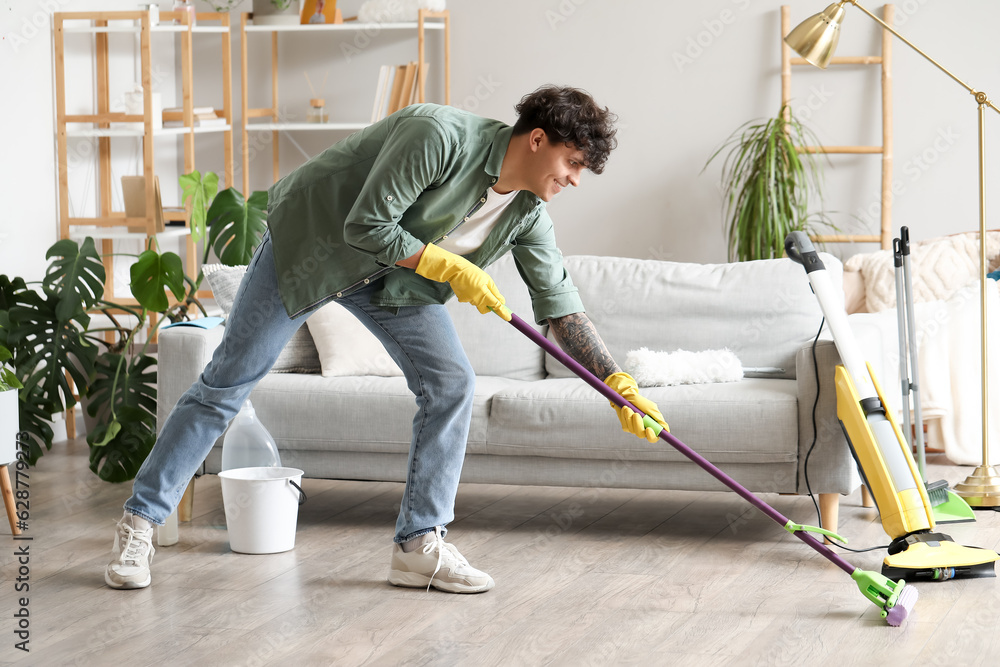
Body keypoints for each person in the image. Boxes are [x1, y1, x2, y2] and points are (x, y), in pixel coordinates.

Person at [106, 85, 668, 593]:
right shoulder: (439, 135)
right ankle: (141, 522)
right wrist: (450, 268)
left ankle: (418, 546)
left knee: (451, 384)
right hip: (314, 248)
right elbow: (366, 224)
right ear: (538, 139)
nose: (573, 180)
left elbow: (562, 308)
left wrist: (617, 383)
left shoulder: (527, 213)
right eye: (571, 163)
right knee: (229, 381)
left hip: (393, 281)